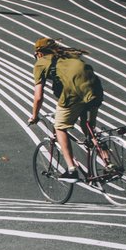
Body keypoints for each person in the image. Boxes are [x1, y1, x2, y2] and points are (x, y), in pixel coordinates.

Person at [27, 37, 107, 180]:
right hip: (95, 89)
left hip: (74, 93)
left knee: (59, 127)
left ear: (39, 53)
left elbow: (38, 96)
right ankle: (109, 163)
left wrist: (34, 116)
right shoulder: (67, 55)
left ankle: (71, 169)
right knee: (88, 126)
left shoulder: (40, 63)